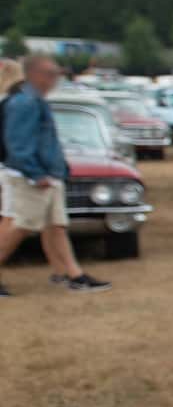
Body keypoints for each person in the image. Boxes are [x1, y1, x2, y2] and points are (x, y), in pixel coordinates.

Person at [0, 55, 111, 296]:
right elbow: (18, 144)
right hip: (31, 177)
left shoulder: (35, 100)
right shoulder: (24, 103)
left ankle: (72, 275)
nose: (55, 80)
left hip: (49, 175)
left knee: (56, 227)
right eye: (50, 74)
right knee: (20, 226)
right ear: (33, 76)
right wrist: (35, 173)